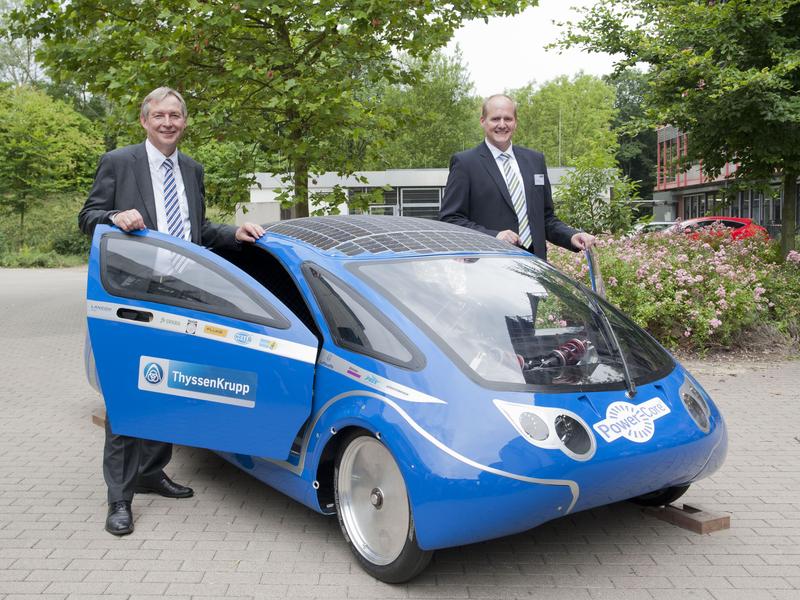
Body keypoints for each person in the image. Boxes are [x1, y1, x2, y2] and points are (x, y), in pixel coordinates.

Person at [79, 87, 265, 537]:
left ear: (185, 122)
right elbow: (87, 217)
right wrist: (114, 217)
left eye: (175, 115)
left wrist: (234, 232)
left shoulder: (192, 169)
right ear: (144, 121)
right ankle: (119, 499)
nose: (168, 122)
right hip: (134, 301)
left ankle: (151, 471)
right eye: (159, 115)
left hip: (184, 299)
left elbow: (196, 231)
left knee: (175, 385)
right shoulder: (118, 162)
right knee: (128, 397)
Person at [439, 94, 595, 261]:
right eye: (495, 119)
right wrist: (494, 236)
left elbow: (546, 218)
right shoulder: (465, 163)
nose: (502, 124)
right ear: (482, 121)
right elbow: (450, 219)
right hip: (488, 269)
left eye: (508, 118)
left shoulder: (535, 160)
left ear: (515, 122)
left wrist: (571, 236)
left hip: (535, 267)